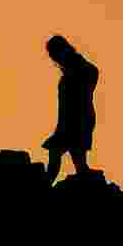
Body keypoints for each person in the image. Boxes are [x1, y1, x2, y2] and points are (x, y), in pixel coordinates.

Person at [41, 36, 98, 185]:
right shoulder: (71, 70)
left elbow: (92, 72)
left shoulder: (79, 67)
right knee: (70, 157)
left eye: (54, 53)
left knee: (69, 156)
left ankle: (44, 188)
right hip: (70, 120)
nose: (53, 58)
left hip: (78, 119)